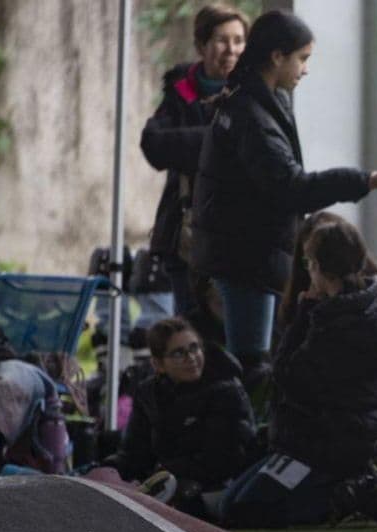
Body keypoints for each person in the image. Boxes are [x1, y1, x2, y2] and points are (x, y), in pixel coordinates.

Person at [192, 10, 377, 386]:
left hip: (246, 254)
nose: (304, 70)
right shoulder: (252, 115)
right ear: (277, 57)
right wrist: (358, 181)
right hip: (246, 260)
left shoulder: (258, 101)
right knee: (249, 370)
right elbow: (290, 186)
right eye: (302, 59)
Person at [220, 219, 377, 528]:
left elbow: (286, 376)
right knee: (231, 501)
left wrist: (303, 315)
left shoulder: (335, 322)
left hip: (324, 445)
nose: (307, 271)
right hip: (356, 433)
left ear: (323, 268)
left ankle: (352, 494)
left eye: (309, 263)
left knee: (244, 511)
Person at [140, 4, 248, 316]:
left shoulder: (253, 92)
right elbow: (153, 145)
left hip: (237, 235)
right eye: (221, 40)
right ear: (201, 45)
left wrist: (190, 146)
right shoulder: (179, 90)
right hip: (184, 232)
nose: (231, 50)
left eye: (239, 40)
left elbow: (248, 150)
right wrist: (220, 140)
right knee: (190, 329)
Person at [99, 317, 256, 520]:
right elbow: (135, 452)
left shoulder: (226, 390)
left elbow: (223, 459)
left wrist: (164, 471)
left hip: (219, 487)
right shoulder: (149, 394)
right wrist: (108, 469)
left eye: (194, 348)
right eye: (179, 353)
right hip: (167, 482)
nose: (191, 358)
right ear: (158, 364)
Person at [278, 211, 377, 333]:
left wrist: (304, 313)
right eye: (308, 262)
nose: (312, 269)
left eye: (316, 261)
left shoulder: (363, 308)